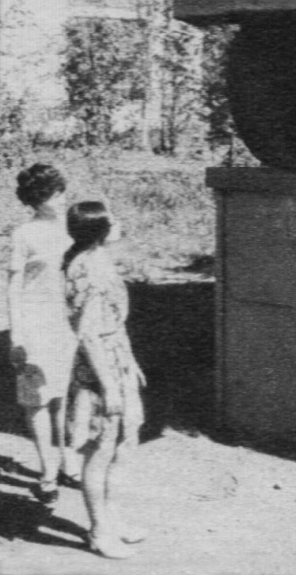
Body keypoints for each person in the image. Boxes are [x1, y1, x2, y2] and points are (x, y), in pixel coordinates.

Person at [64, 201, 146, 559]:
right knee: (100, 450)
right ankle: (99, 531)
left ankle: (113, 519)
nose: (119, 223)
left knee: (125, 443)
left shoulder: (98, 260)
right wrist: (109, 385)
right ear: (100, 230)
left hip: (117, 360)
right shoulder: (86, 269)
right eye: (113, 220)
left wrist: (130, 362)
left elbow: (112, 322)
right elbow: (87, 334)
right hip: (98, 371)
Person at [7, 163, 79, 507]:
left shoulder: (73, 227)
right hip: (35, 322)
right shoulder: (24, 234)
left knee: (64, 394)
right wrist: (16, 335)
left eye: (61, 191)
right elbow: (14, 286)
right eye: (53, 194)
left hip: (67, 321)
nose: (60, 198)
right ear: (36, 199)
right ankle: (47, 471)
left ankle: (67, 462)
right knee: (37, 398)